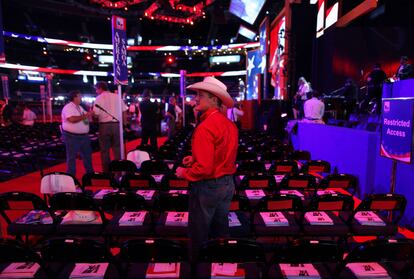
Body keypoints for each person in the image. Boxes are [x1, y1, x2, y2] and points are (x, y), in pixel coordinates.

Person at [175, 76, 238, 263]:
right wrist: (195, 157)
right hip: (227, 184)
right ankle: (222, 266)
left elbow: (203, 169)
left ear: (213, 99)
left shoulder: (205, 127)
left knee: (199, 234)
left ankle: (198, 268)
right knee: (221, 231)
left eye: (200, 95)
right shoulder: (229, 124)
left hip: (208, 186)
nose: (196, 99)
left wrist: (184, 172)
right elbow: (223, 153)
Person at [93, 81, 128, 173]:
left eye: (96, 89)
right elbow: (124, 111)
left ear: (100, 88)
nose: (96, 91)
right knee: (118, 149)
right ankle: (119, 172)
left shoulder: (98, 98)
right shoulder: (117, 97)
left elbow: (96, 115)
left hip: (104, 126)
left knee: (105, 151)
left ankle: (107, 172)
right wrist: (124, 125)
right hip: (117, 125)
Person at [61, 90, 94, 176]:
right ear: (74, 97)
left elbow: (86, 116)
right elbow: (72, 119)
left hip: (83, 136)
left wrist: (89, 114)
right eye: (79, 96)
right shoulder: (68, 107)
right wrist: (86, 115)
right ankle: (71, 177)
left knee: (87, 156)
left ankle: (90, 174)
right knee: (72, 157)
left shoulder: (79, 107)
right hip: (72, 136)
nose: (81, 98)